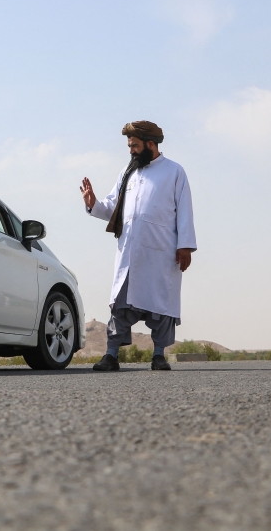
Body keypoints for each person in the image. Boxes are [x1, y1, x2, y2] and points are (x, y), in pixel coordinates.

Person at [80, 121, 196, 371]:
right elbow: (112, 207)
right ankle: (111, 355)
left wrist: (185, 245)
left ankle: (158, 355)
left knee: (161, 305)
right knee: (121, 304)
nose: (131, 150)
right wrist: (93, 203)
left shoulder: (174, 172)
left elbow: (185, 211)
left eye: (134, 145)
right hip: (130, 252)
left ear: (150, 144)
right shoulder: (127, 172)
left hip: (162, 252)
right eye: (129, 146)